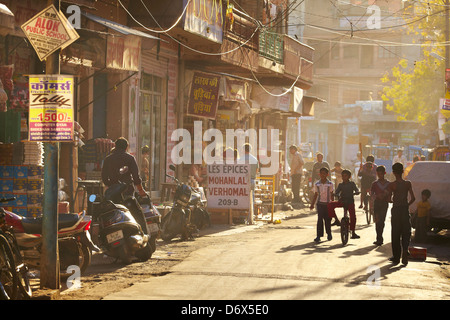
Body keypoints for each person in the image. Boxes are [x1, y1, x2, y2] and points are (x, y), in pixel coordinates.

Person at [387, 162, 416, 265]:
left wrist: (392, 200)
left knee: (395, 233)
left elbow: (389, 199)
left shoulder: (392, 185)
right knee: (406, 232)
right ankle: (405, 250)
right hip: (404, 209)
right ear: (403, 171)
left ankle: (396, 257)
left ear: (394, 173)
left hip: (396, 210)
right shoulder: (408, 183)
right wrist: (406, 205)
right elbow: (413, 198)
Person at [327, 169, 360, 238]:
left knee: (353, 217)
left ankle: (353, 232)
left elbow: (356, 189)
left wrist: (356, 192)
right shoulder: (340, 185)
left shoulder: (352, 184)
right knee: (330, 204)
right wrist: (335, 194)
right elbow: (337, 192)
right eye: (343, 176)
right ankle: (336, 219)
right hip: (342, 201)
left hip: (350, 202)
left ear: (349, 177)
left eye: (345, 176)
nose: (344, 177)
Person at [310, 167, 334, 242]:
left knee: (328, 220)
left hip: (328, 204)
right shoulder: (317, 184)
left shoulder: (330, 184)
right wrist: (312, 204)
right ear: (319, 174)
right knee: (320, 219)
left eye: (324, 173)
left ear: (327, 174)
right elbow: (316, 194)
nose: (323, 175)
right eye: (321, 173)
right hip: (320, 204)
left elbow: (332, 194)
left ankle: (329, 234)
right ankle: (318, 236)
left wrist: (332, 202)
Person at [371, 165, 390, 246]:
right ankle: (378, 238)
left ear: (384, 173)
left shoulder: (389, 184)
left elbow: (390, 194)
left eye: (381, 174)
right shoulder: (374, 184)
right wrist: (376, 196)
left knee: (382, 220)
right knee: (377, 220)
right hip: (377, 203)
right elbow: (372, 194)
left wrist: (386, 194)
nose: (380, 175)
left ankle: (380, 238)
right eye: (378, 174)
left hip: (384, 204)